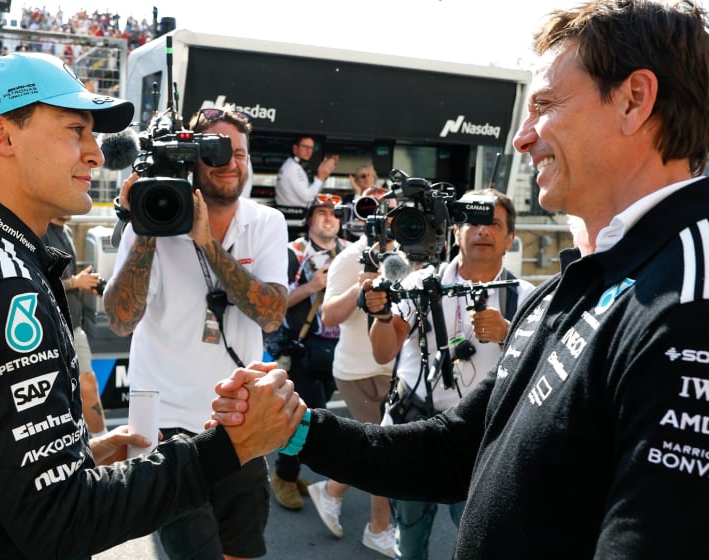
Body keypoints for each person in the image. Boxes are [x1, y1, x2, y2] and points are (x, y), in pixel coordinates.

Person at [211, 1, 709, 557]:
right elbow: (454, 452)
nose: (522, 138)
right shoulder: (581, 280)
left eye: (544, 104)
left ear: (634, 100)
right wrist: (294, 427)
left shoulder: (688, 297)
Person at [0, 51, 304, 559]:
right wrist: (230, 448)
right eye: (77, 130)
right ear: (1, 135)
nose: (96, 154)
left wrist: (77, 456)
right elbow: (60, 521)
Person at [103, 107, 290, 560]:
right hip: (167, 431)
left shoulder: (266, 223)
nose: (231, 162)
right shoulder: (149, 216)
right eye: (216, 151)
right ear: (190, 160)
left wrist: (206, 241)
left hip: (238, 421)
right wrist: (148, 223)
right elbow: (121, 319)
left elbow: (270, 315)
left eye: (239, 153)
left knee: (241, 551)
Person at [371, 188, 535, 559]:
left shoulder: (524, 295)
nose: (483, 231)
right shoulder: (418, 284)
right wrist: (382, 315)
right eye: (473, 221)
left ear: (510, 238)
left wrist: (509, 331)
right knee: (409, 544)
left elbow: (544, 369)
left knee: (480, 542)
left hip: (482, 441)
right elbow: (383, 351)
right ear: (455, 231)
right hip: (417, 432)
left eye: (493, 223)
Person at [307, 188, 396, 557]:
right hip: (356, 372)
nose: (387, 217)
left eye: (393, 209)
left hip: (393, 369)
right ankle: (378, 529)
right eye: (380, 210)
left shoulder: (407, 257)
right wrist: (360, 289)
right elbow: (328, 316)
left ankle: (331, 490)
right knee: (382, 453)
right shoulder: (349, 257)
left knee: (377, 448)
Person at [269, 193, 348, 511]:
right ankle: (284, 476)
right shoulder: (292, 253)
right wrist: (311, 286)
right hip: (301, 349)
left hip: (337, 349)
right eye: (322, 213)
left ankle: (291, 470)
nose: (329, 218)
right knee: (303, 417)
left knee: (313, 414)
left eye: (334, 213)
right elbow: (273, 305)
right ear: (310, 219)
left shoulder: (349, 252)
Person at [41, 215, 107, 436]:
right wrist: (75, 282)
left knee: (84, 384)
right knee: (86, 383)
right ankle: (104, 445)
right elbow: (38, 281)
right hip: (55, 327)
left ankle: (100, 442)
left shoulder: (66, 232)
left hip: (74, 324)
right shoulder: (42, 231)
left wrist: (83, 284)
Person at [275, 135, 339, 208]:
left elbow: (314, 191)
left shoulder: (295, 165)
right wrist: (321, 177)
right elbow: (308, 197)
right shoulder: (293, 168)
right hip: (294, 215)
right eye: (305, 147)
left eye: (311, 148)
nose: (309, 151)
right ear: (295, 148)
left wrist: (325, 175)